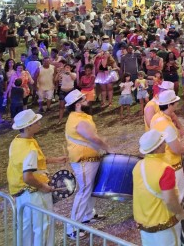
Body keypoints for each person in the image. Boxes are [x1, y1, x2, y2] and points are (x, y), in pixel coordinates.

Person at [7, 109, 67, 246]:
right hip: (35, 194)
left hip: (22, 194)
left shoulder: (17, 142)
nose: (39, 124)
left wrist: (55, 160)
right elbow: (28, 177)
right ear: (28, 126)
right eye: (36, 122)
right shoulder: (30, 149)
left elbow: (31, 163)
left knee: (26, 228)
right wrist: (43, 186)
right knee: (43, 227)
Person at [64, 89, 111, 239]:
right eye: (84, 100)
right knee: (84, 191)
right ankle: (72, 228)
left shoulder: (79, 116)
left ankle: (87, 215)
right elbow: (94, 138)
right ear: (77, 104)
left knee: (89, 189)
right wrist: (108, 148)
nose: (87, 101)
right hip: (83, 160)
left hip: (88, 159)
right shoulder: (78, 120)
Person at [132, 130, 184, 245]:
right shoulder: (165, 169)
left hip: (145, 227)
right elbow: (170, 201)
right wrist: (180, 212)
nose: (166, 144)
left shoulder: (138, 166)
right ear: (158, 147)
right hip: (164, 228)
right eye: (163, 142)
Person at [150, 90, 184, 200]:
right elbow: (177, 149)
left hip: (160, 163)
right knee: (180, 196)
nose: (177, 104)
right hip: (172, 165)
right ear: (169, 105)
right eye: (175, 102)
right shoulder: (166, 125)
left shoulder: (155, 118)